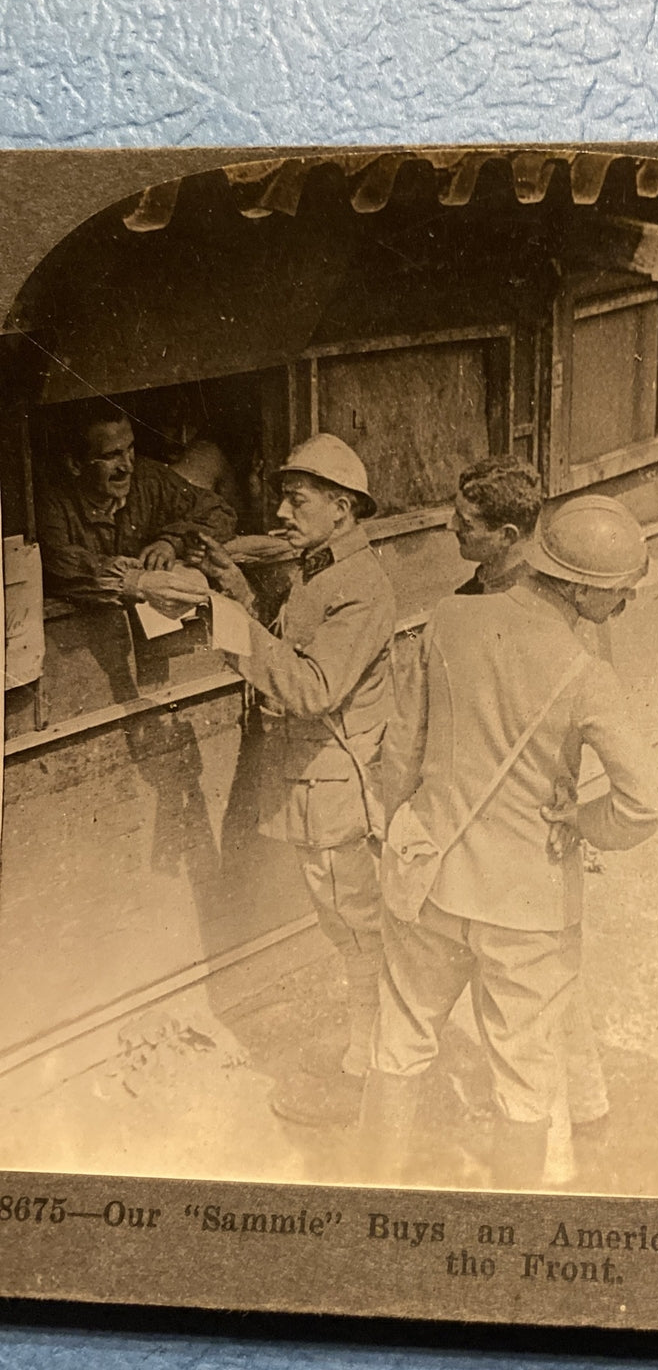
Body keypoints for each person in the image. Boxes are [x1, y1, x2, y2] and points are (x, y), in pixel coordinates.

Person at [363, 494, 658, 1192]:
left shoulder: (448, 618)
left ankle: (364, 1196)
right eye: (617, 594)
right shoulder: (587, 674)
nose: (620, 606)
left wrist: (412, 823)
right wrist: (583, 822)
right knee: (524, 1075)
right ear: (584, 588)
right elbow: (646, 806)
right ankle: (507, 1225)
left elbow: (400, 755)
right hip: (528, 904)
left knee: (399, 1039)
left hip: (430, 880)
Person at [148, 434, 397, 1125]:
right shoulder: (319, 574)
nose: (282, 510)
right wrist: (237, 594)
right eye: (284, 495)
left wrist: (220, 619)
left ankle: (371, 1077)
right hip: (316, 788)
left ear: (342, 508)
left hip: (338, 795)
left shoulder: (358, 588)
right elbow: (290, 652)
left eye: (298, 498)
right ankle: (366, 1058)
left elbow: (313, 687)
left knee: (360, 934)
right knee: (349, 930)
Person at [39, 401, 237, 606]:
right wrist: (135, 582)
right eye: (111, 455)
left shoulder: (148, 478)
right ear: (75, 464)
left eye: (130, 448)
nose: (127, 466)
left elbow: (218, 511)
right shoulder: (53, 504)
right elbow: (57, 562)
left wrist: (171, 542)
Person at [451, 456, 541, 594]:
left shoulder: (525, 603)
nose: (451, 526)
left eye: (465, 524)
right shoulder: (484, 581)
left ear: (507, 536)